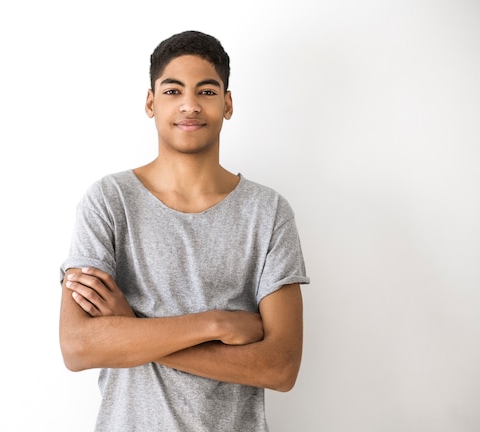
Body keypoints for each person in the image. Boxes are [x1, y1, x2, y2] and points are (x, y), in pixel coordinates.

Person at [59, 30, 310, 431]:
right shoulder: (109, 201)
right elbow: (77, 347)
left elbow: (280, 367)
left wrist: (132, 330)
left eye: (207, 92)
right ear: (150, 102)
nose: (190, 105)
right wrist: (216, 324)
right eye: (173, 91)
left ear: (227, 104)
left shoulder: (268, 211)